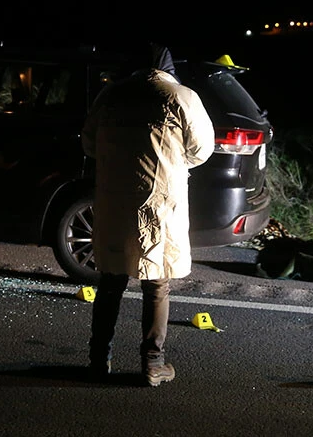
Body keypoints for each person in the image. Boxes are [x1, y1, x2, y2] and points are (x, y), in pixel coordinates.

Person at [81, 43, 215, 386]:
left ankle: (99, 361)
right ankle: (153, 365)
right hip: (158, 203)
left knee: (111, 281)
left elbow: (89, 145)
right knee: (157, 283)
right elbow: (202, 149)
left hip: (113, 202)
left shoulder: (110, 96)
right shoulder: (181, 96)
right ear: (168, 69)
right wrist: (172, 159)